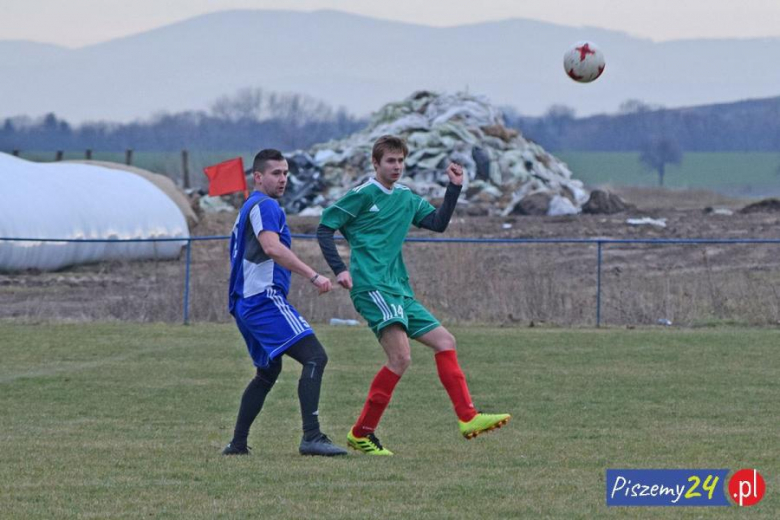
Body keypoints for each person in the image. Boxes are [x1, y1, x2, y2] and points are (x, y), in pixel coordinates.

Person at [317, 135, 510, 456]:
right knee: (401, 358)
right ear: (375, 163)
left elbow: (437, 223)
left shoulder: (406, 197)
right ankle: (362, 433)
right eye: (390, 161)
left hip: (398, 289)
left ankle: (468, 417)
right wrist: (339, 268)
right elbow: (325, 227)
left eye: (400, 161)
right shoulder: (363, 195)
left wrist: (454, 188)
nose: (396, 166)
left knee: (445, 341)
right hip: (371, 286)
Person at [223, 148, 347, 457]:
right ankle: (312, 437)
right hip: (262, 299)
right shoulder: (266, 205)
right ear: (258, 176)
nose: (283, 179)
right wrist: (313, 275)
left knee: (267, 372)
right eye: (276, 173)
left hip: (244, 302)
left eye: (286, 173)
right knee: (315, 357)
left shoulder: (248, 207)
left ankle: (237, 444)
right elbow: (272, 247)